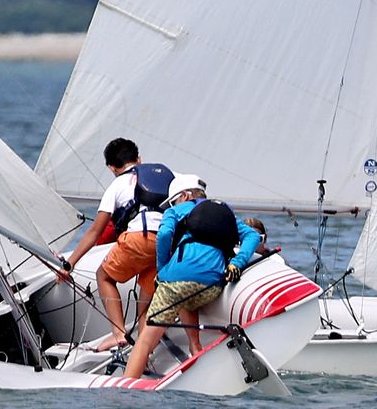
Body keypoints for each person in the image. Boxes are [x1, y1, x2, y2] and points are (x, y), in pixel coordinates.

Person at [123, 174, 262, 380]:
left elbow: (163, 235)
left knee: (145, 340)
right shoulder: (225, 212)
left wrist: (162, 270)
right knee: (187, 300)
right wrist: (237, 262)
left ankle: (125, 387)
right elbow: (253, 236)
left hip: (175, 284)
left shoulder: (176, 210)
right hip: (212, 286)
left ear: (185, 195)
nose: (170, 205)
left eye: (173, 200)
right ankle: (195, 348)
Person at [59, 138, 173, 351]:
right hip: (167, 241)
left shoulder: (116, 186)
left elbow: (95, 232)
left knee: (104, 276)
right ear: (139, 159)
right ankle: (144, 348)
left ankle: (118, 334)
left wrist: (69, 264)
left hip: (141, 237)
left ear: (111, 167)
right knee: (145, 299)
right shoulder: (165, 177)